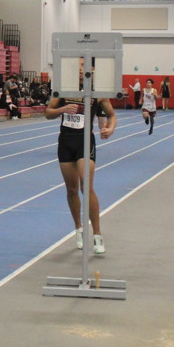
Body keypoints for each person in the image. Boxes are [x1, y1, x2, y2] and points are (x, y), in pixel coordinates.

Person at [45, 84, 118, 255]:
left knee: (86, 186)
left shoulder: (97, 93)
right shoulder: (63, 89)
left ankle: (97, 235)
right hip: (65, 141)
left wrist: (110, 128)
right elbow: (48, 113)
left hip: (84, 141)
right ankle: (79, 228)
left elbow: (112, 115)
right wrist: (63, 109)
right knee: (72, 189)